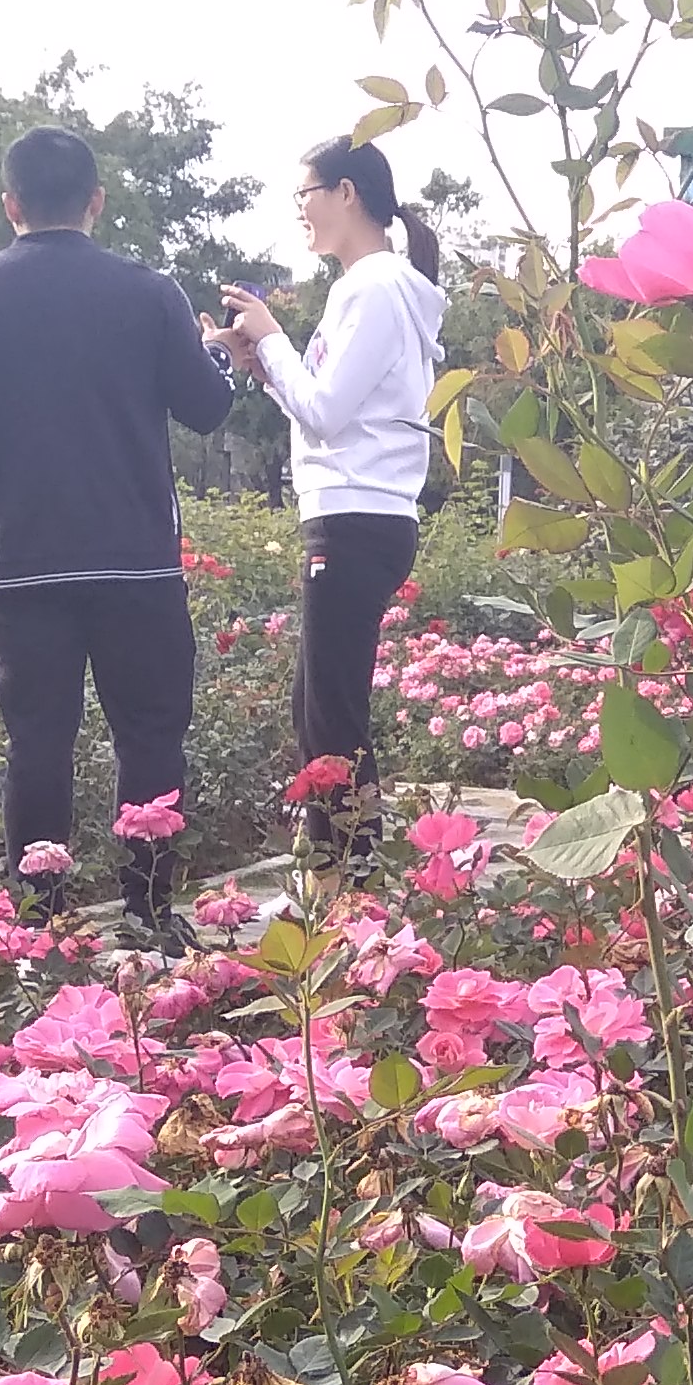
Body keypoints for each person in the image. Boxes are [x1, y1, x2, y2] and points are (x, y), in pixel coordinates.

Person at [0, 124, 238, 932]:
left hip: (20, 565)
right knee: (152, 737)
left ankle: (41, 919)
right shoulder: (148, 293)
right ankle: (151, 908)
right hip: (134, 563)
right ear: (96, 200)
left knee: (37, 743)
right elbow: (206, 407)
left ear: (10, 204)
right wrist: (218, 353)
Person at [219, 134, 444, 853]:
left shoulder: (373, 288)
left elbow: (326, 412)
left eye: (305, 196)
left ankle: (348, 872)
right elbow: (324, 410)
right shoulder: (374, 289)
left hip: (355, 518)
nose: (301, 214)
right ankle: (342, 865)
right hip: (359, 513)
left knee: (330, 715)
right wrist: (262, 364)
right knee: (318, 706)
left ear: (346, 192)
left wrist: (275, 338)